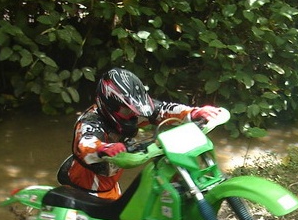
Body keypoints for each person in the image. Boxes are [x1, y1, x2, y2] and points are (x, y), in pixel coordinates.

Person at [63, 68, 222, 200]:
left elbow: (162, 110)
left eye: (136, 111)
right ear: (109, 105)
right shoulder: (90, 121)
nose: (134, 116)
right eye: (128, 111)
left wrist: (193, 113)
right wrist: (104, 148)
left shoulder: (133, 113)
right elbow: (86, 143)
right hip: (83, 192)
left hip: (111, 188)